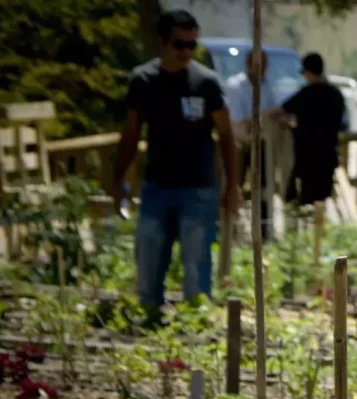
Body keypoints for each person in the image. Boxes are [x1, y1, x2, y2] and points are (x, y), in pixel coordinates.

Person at [113, 9, 239, 323]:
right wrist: (117, 180)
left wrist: (232, 185)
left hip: (199, 187)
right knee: (149, 261)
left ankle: (196, 327)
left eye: (191, 45)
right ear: (162, 42)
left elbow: (226, 135)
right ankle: (151, 319)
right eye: (179, 44)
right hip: (157, 184)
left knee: (196, 265)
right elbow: (131, 134)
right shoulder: (143, 80)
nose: (185, 52)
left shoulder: (206, 82)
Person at [276, 53, 347, 206]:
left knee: (303, 200)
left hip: (306, 156)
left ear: (307, 72)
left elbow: (281, 110)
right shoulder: (336, 94)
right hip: (328, 155)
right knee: (321, 201)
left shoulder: (306, 94)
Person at [225, 49, 281, 240]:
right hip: (240, 144)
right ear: (249, 64)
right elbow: (237, 118)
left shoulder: (267, 85)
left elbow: (274, 111)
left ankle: (264, 233)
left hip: (262, 143)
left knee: (264, 187)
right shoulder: (235, 85)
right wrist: (263, 116)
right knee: (235, 185)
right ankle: (228, 231)